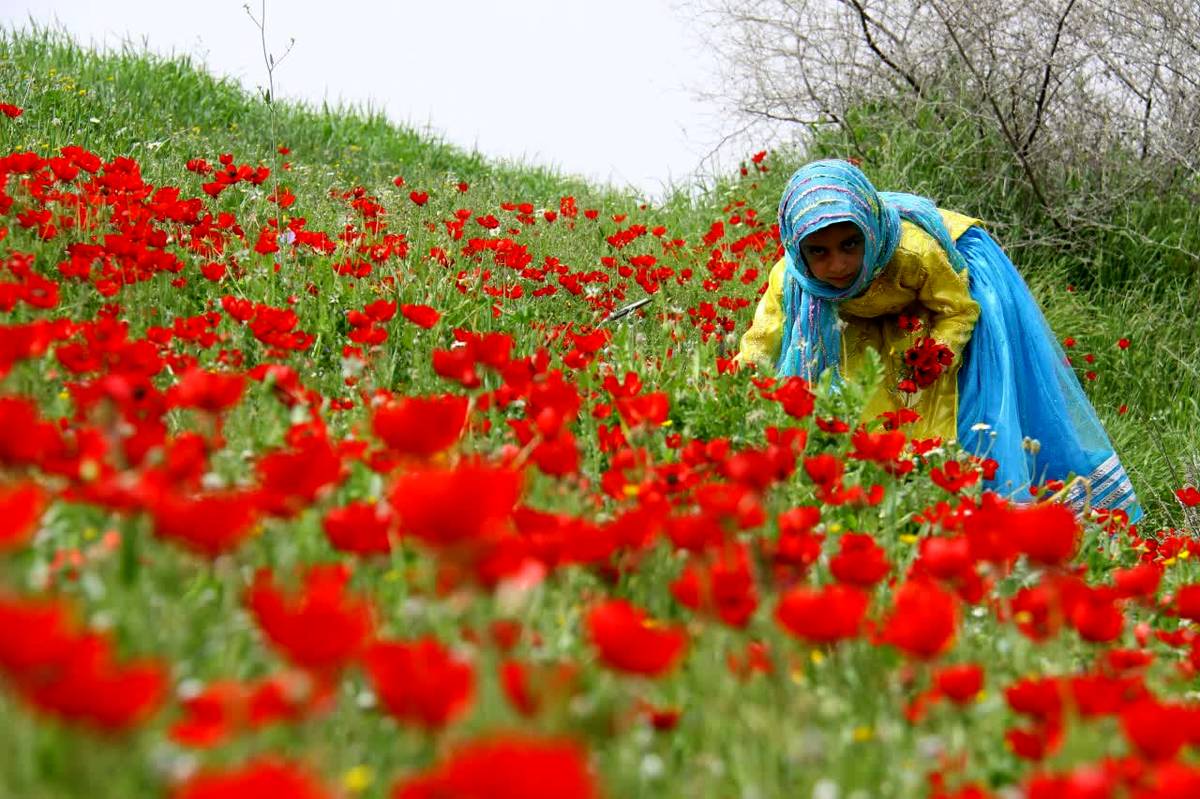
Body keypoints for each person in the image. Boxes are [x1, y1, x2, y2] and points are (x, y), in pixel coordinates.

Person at [737, 159, 1142, 522]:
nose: (838, 264)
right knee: (861, 397)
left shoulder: (912, 253)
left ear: (869, 232)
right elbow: (762, 339)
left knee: (979, 404)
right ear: (797, 248)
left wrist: (936, 353)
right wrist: (737, 388)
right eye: (818, 252)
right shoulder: (795, 281)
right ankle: (891, 502)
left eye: (849, 244)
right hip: (872, 307)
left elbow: (959, 309)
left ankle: (1001, 510)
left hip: (960, 279)